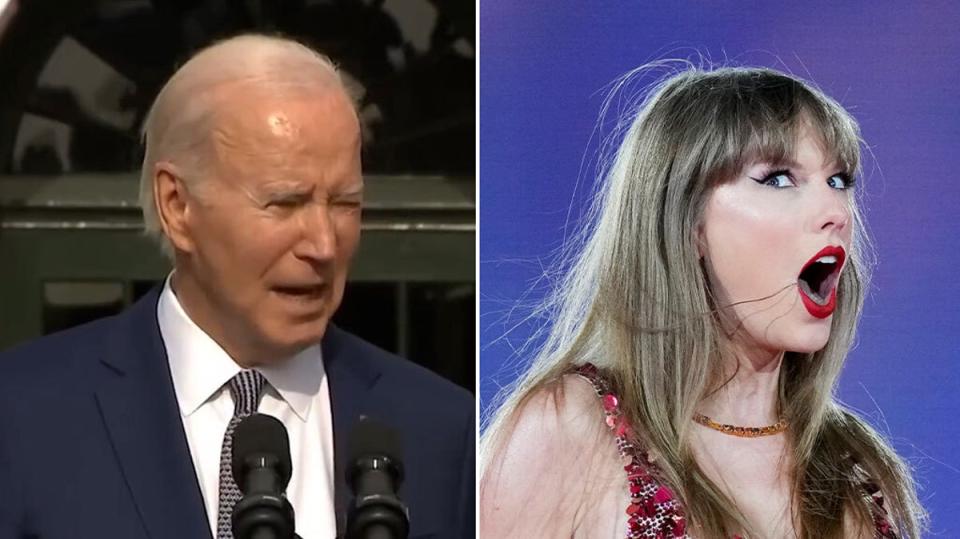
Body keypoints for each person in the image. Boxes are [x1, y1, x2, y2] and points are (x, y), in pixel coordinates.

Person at [0, 34, 474, 539]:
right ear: (177, 206)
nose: (323, 244)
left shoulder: (442, 430)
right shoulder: (23, 415)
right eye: (284, 203)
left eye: (345, 204)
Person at [479, 66, 926, 538]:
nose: (835, 212)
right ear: (687, 223)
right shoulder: (567, 429)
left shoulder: (854, 468)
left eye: (839, 181)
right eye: (777, 179)